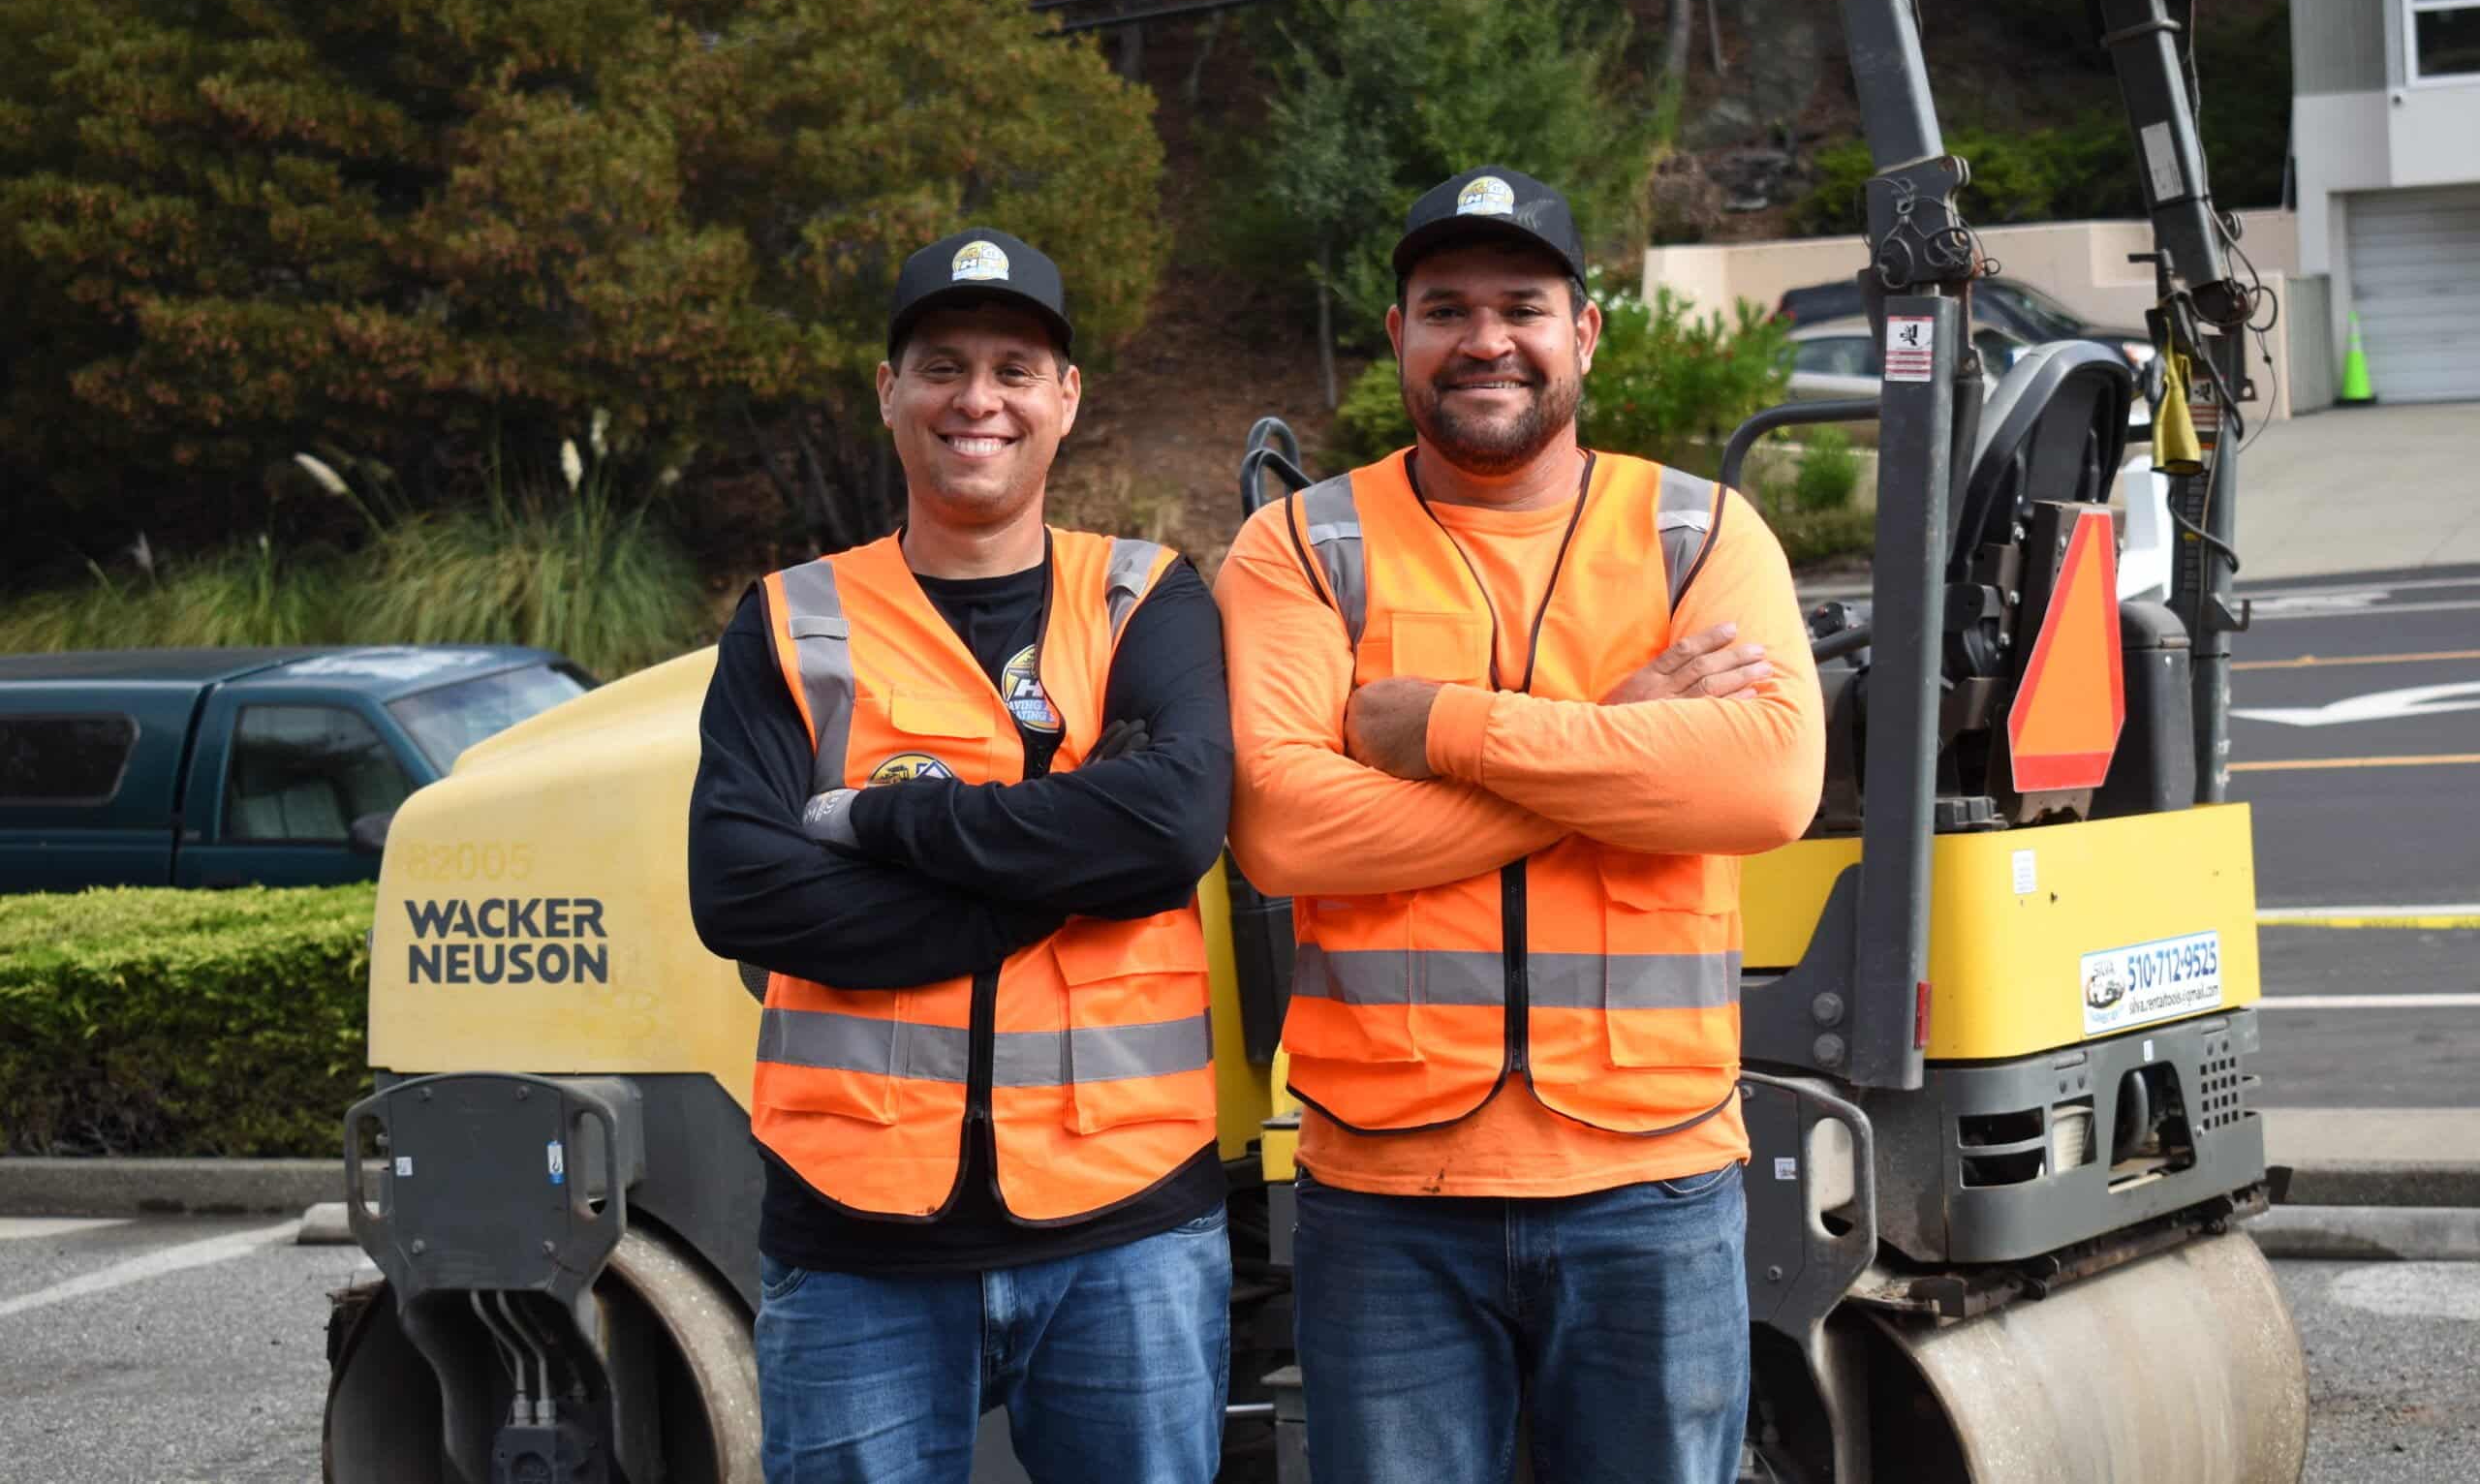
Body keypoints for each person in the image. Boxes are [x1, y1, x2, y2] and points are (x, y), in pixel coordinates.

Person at [1215, 168, 1825, 1483]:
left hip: (1649, 1186)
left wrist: (1442, 726)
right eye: (1445, 308)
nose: (1485, 338)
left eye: (1521, 305)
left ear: (1585, 330)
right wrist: (1624, 738)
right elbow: (1283, 832)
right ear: (1398, 339)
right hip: (1387, 1203)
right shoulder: (1303, 549)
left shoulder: (1698, 533)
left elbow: (1766, 790)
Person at [689, 227, 1235, 1484]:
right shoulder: (792, 621)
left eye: (1012, 367)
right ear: (889, 394)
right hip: (856, 1236)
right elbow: (742, 890)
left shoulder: (1144, 600)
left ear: (1066, 398)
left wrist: (882, 827)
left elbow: (1164, 833)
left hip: (1125, 1225)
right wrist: (1051, 878)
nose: (976, 399)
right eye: (941, 366)